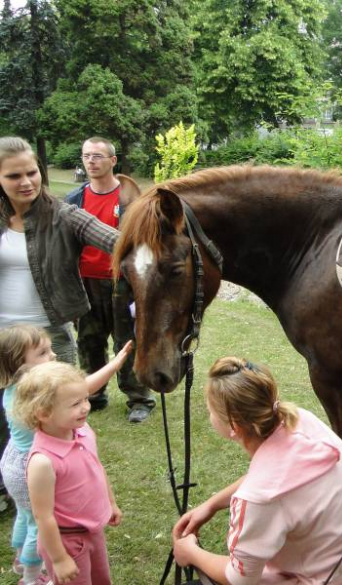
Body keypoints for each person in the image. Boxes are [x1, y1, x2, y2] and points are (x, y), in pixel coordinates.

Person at [171, 357, 342, 585]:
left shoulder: (259, 496)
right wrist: (211, 505)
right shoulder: (300, 420)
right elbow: (276, 480)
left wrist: (190, 553)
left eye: (210, 410)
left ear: (233, 425)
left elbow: (239, 580)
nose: (209, 415)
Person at [0, 135, 119, 524]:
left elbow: (117, 240)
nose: (26, 182)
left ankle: (63, 496)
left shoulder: (64, 215)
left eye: (32, 172)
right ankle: (10, 488)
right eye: (13, 176)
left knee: (58, 421)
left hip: (50, 338)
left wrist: (157, 243)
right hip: (4, 342)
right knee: (7, 420)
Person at [0, 325, 131, 585]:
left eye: (85, 400)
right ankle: (30, 576)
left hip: (92, 529)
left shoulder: (82, 432)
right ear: (43, 412)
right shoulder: (42, 462)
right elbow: (44, 517)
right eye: (75, 404)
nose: (86, 407)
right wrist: (59, 558)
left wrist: (110, 503)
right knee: (34, 519)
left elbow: (96, 469)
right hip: (66, 538)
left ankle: (23, 561)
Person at [65, 137, 154, 423]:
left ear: (113, 161)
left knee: (128, 342)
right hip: (85, 282)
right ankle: (93, 394)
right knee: (89, 341)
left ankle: (139, 398)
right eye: (86, 156)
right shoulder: (74, 200)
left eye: (98, 156)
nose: (91, 161)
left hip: (122, 283)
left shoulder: (131, 200)